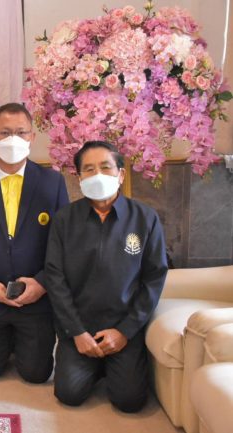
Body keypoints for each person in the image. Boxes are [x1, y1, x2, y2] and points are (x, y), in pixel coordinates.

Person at [44, 140, 168, 412]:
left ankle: (112, 365)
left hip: (123, 328)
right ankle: (95, 366)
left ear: (121, 174)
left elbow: (154, 277)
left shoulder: (145, 218)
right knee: (69, 394)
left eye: (105, 167)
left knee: (130, 401)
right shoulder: (64, 219)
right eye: (89, 169)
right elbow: (54, 277)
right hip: (79, 328)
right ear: (79, 178)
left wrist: (125, 331)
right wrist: (77, 332)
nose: (97, 175)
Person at [0, 102, 69, 382]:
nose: (13, 139)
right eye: (5, 133)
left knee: (36, 374)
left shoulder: (52, 182)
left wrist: (41, 284)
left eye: (20, 132)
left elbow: (63, 241)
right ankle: (6, 341)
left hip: (36, 299)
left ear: (32, 137)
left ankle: (21, 342)